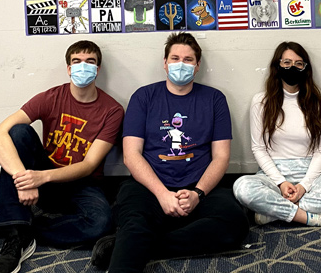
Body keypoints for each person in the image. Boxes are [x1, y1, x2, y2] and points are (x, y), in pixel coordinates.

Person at [92, 32, 249, 272]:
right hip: (150, 187)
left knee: (234, 224)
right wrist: (163, 194)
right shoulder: (143, 97)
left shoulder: (214, 99)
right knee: (133, 224)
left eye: (188, 59)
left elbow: (221, 157)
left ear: (197, 66)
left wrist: (197, 194)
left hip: (200, 188)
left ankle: (141, 245)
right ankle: (140, 240)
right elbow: (131, 155)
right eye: (175, 58)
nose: (181, 64)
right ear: (164, 63)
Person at [0, 40, 124, 273]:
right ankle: (13, 236)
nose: (83, 67)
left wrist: (41, 178)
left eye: (90, 62)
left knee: (101, 224)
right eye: (76, 61)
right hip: (42, 179)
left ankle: (15, 225)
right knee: (18, 133)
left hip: (82, 184)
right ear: (69, 69)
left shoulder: (112, 110)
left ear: (98, 69)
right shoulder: (50, 98)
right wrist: (25, 178)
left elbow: (89, 165)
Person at [233, 42, 321, 227]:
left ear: (305, 68)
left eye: (298, 63)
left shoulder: (320, 103)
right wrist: (281, 183)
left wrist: (304, 186)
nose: (292, 67)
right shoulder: (260, 101)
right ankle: (311, 218)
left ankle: (274, 212)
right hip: (272, 176)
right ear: (277, 66)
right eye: (286, 62)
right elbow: (258, 148)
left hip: (310, 175)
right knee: (242, 188)